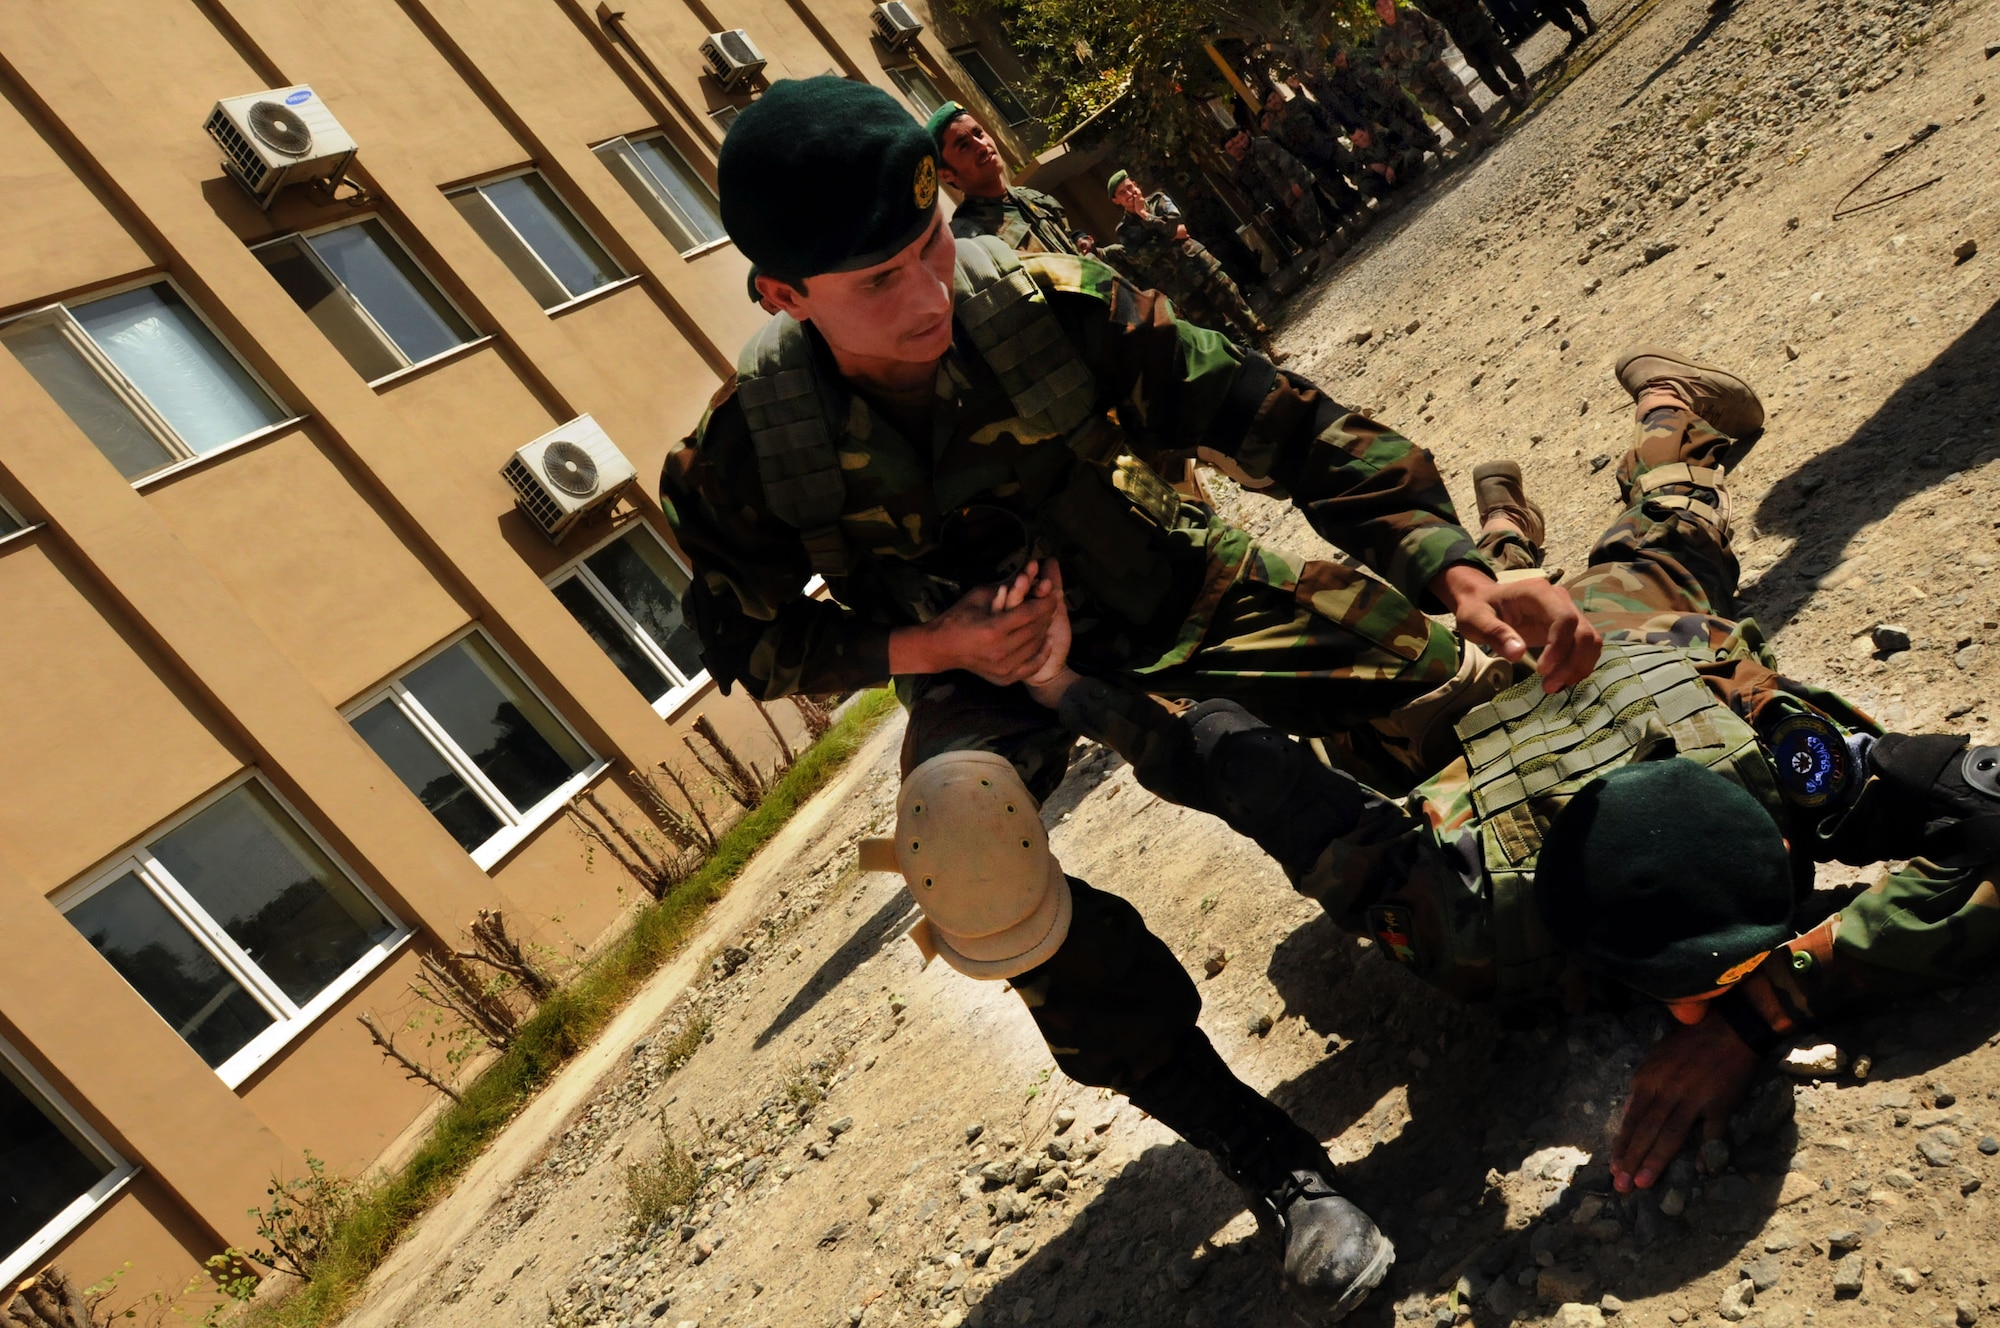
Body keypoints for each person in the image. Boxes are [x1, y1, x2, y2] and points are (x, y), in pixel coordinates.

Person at [662, 76, 1599, 1311]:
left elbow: (1283, 424)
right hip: (985, 670)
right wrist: (933, 648)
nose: (930, 292)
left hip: (1164, 584)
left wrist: (1456, 569)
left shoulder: (1046, 302)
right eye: (877, 282)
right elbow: (754, 642)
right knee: (969, 855)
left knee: (1441, 706)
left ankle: (1463, 884)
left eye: (932, 241)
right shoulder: (742, 454)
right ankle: (1267, 1161)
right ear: (782, 295)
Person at [1014, 346, 2000, 1202]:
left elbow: (1985, 807)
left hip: (1620, 648)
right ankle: (1514, 535)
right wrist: (1070, 682)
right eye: (1692, 988)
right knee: (1351, 646)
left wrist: (1761, 1009)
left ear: (1780, 830)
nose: (1700, 1001)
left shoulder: (1753, 733)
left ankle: (1621, 442)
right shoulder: (1477, 920)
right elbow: (1244, 769)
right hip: (1461, 726)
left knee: (1677, 529)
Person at [1107, 168, 1287, 362]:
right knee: (1214, 326)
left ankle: (1267, 345)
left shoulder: (1159, 200)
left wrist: (1146, 216)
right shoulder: (1124, 231)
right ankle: (1250, 361)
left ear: (1135, 185)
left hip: (1202, 265)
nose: (1129, 194)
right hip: (1179, 284)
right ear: (1116, 201)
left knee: (1235, 304)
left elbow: (1178, 225)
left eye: (1129, 188)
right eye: (1122, 193)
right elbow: (1145, 256)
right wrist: (1170, 234)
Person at [927, 101, 1081, 257]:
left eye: (979, 133)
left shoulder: (1032, 198)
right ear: (946, 174)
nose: (981, 145)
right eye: (964, 145)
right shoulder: (970, 242)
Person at [1371, 0, 1490, 148]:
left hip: (1438, 70)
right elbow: (1386, 65)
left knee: (1464, 100)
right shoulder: (1382, 38)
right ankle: (1474, 143)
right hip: (1419, 85)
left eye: (1385, 2)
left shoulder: (1412, 16)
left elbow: (1436, 28)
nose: (1384, 8)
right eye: (1379, 6)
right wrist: (1402, 77)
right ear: (1376, 11)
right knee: (1445, 115)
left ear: (1392, 2)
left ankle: (1487, 134)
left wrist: (1435, 50)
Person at [1221, 127, 1329, 255]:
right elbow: (1246, 193)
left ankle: (1327, 250)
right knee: (1304, 223)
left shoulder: (1261, 146)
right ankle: (1323, 251)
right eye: (1235, 144)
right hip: (1279, 197)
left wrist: (1294, 183)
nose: (1239, 145)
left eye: (1240, 140)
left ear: (1247, 133)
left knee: (1310, 218)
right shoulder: (1241, 167)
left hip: (1292, 188)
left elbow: (1285, 162)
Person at [1416, 0, 1532, 106]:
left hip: (1474, 18)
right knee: (1482, 67)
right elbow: (1428, 10)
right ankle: (1509, 96)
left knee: (1500, 54)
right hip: (1457, 30)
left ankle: (1524, 86)